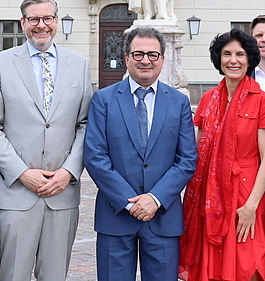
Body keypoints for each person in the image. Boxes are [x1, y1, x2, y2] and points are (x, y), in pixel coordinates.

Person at [0, 0, 93, 281]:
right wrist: (21, 173)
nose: (41, 25)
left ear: (56, 20)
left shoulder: (78, 64)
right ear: (23, 23)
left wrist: (68, 172)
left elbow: (86, 124)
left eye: (47, 18)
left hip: (62, 193)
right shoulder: (0, 63)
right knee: (12, 274)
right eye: (34, 19)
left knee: (54, 276)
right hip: (16, 193)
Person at [84, 27, 196, 281]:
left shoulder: (178, 102)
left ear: (162, 59)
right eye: (138, 54)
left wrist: (154, 199)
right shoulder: (104, 99)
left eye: (152, 54)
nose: (146, 60)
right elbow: (95, 157)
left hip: (162, 216)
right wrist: (129, 201)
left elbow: (187, 159)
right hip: (116, 215)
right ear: (126, 58)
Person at [180, 29, 265, 281]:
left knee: (251, 265)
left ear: (250, 59)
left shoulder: (261, 100)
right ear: (219, 59)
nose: (233, 60)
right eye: (226, 54)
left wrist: (250, 206)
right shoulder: (208, 99)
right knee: (214, 266)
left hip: (248, 194)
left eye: (240, 54)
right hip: (212, 196)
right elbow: (199, 152)